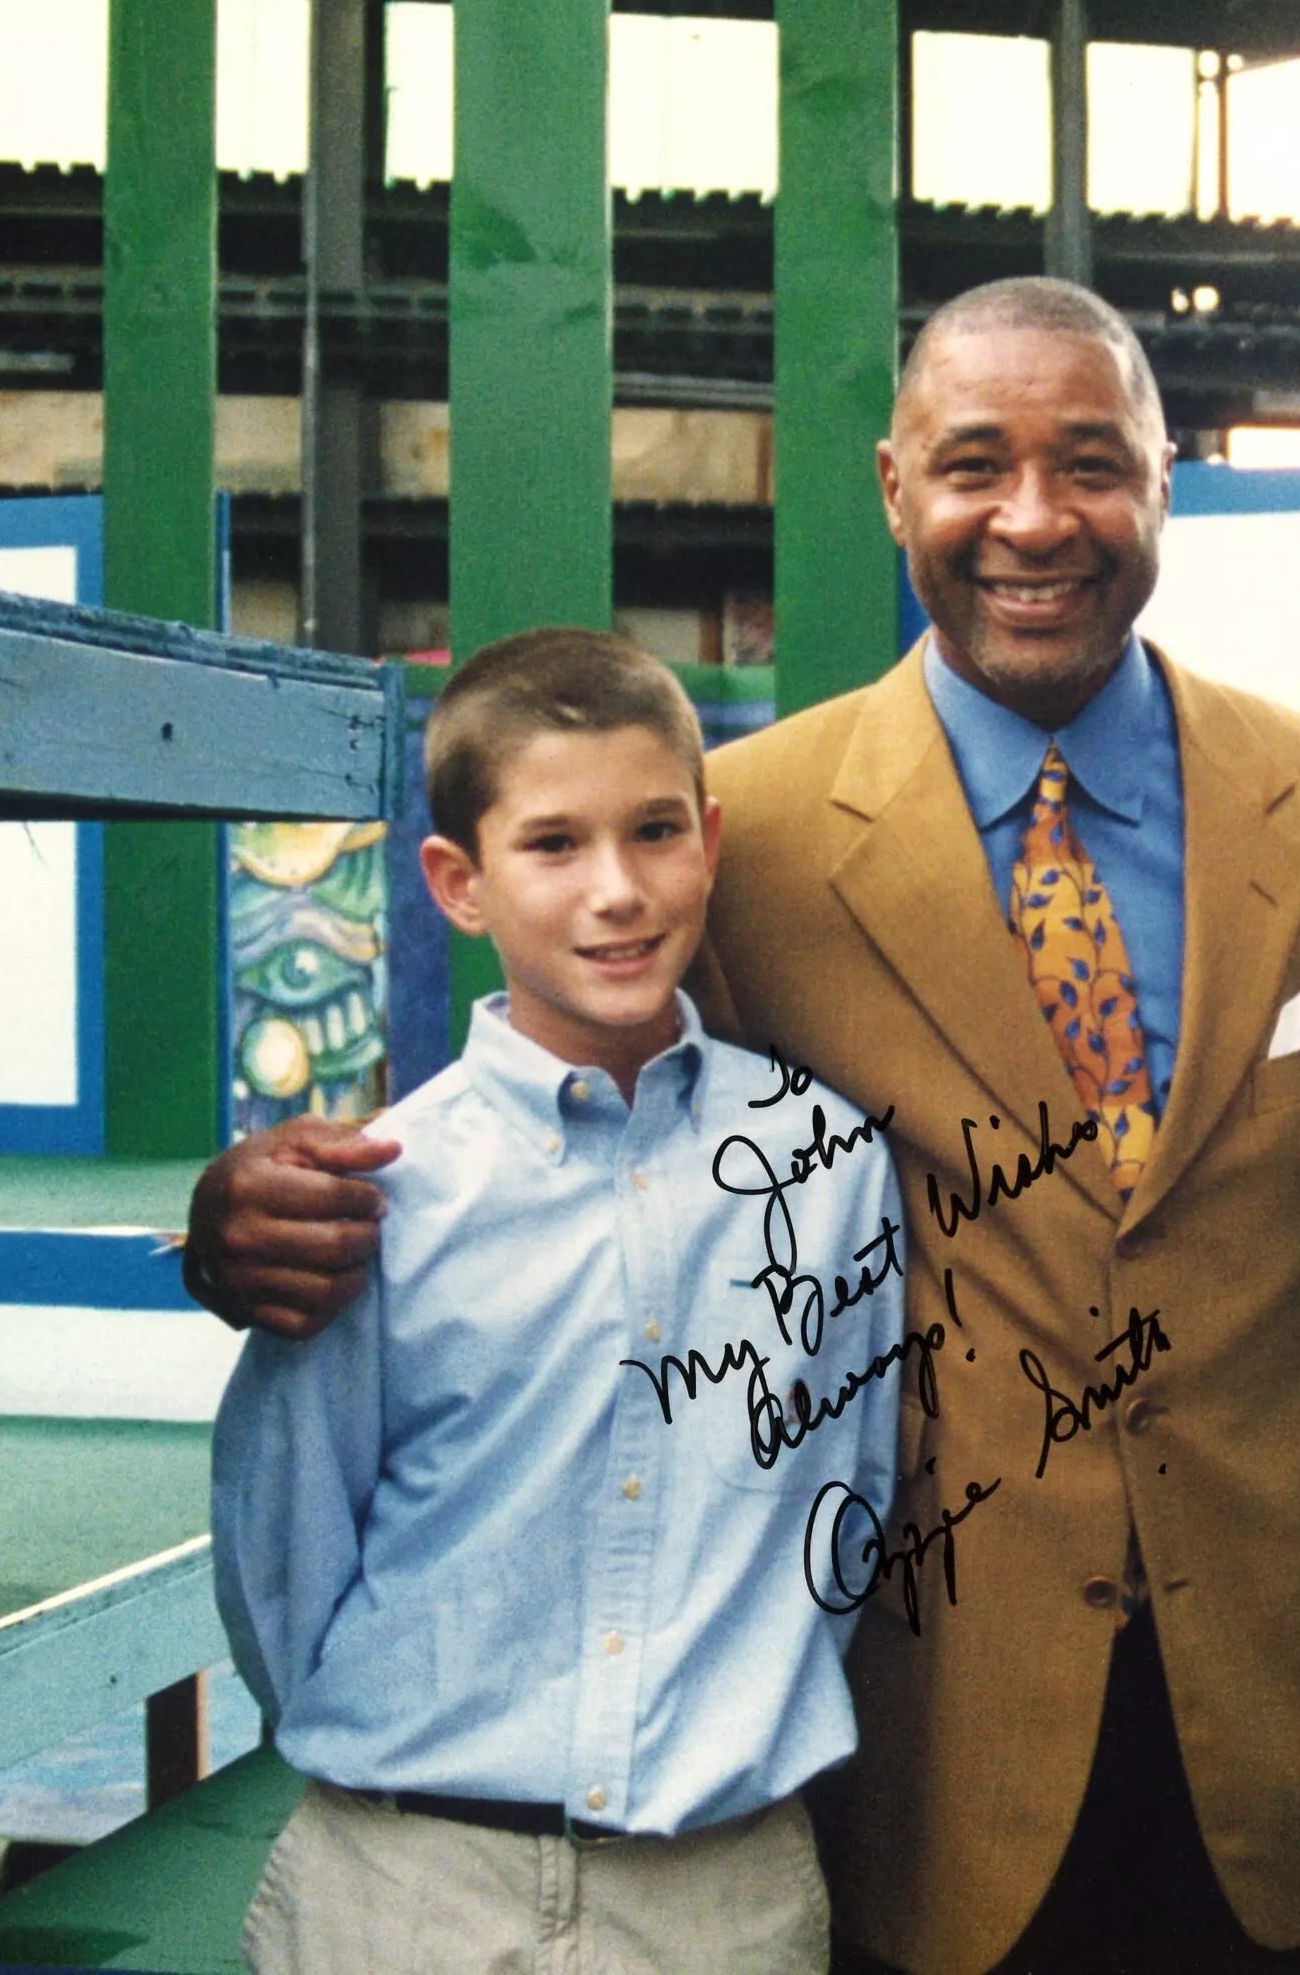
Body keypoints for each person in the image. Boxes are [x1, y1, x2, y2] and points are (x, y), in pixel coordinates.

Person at [187, 278, 1300, 1975]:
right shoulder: (743, 842)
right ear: (890, 488)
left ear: (1167, 471)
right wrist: (239, 1218)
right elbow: (563, 1119)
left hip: (1282, 1705)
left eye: (1092, 462)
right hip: (931, 1727)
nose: (1032, 519)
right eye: (974, 464)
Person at [209, 629, 906, 1973]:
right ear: (457, 882)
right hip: (408, 1884)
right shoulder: (375, 1191)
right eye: (552, 845)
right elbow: (281, 1556)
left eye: (654, 832)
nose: (617, 892)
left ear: (708, 838)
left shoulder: (828, 1169)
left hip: (720, 1898)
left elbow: (850, 1504)